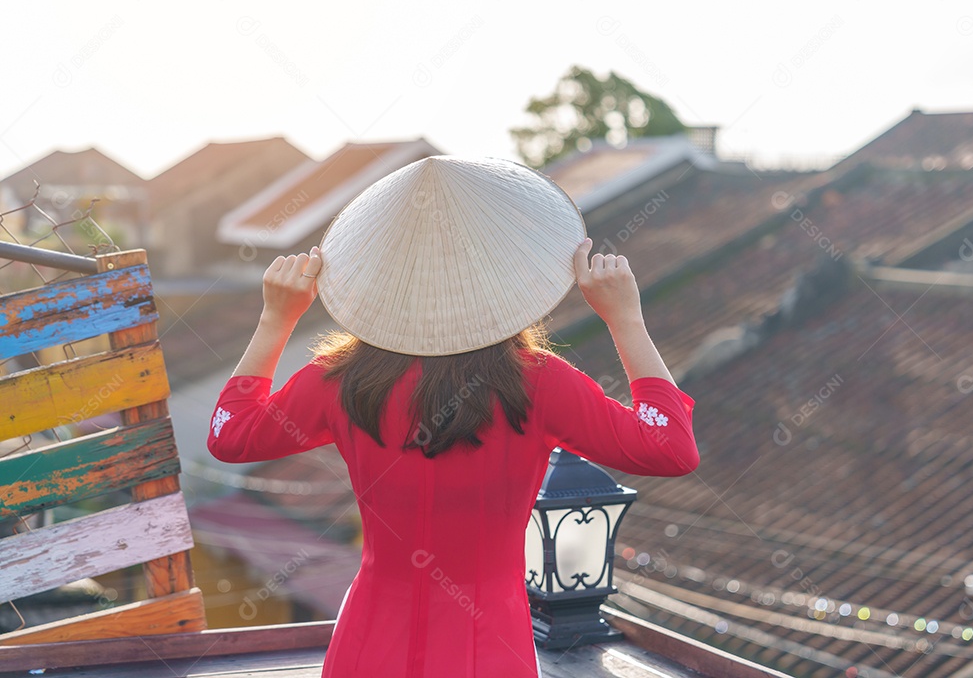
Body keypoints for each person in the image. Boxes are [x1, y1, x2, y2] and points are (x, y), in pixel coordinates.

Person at [206, 156, 699, 678]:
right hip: (490, 648)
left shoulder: (341, 378)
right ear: (505, 279)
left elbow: (231, 436)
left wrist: (275, 319)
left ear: (378, 278)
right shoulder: (537, 381)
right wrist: (625, 318)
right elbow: (668, 448)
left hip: (368, 643)